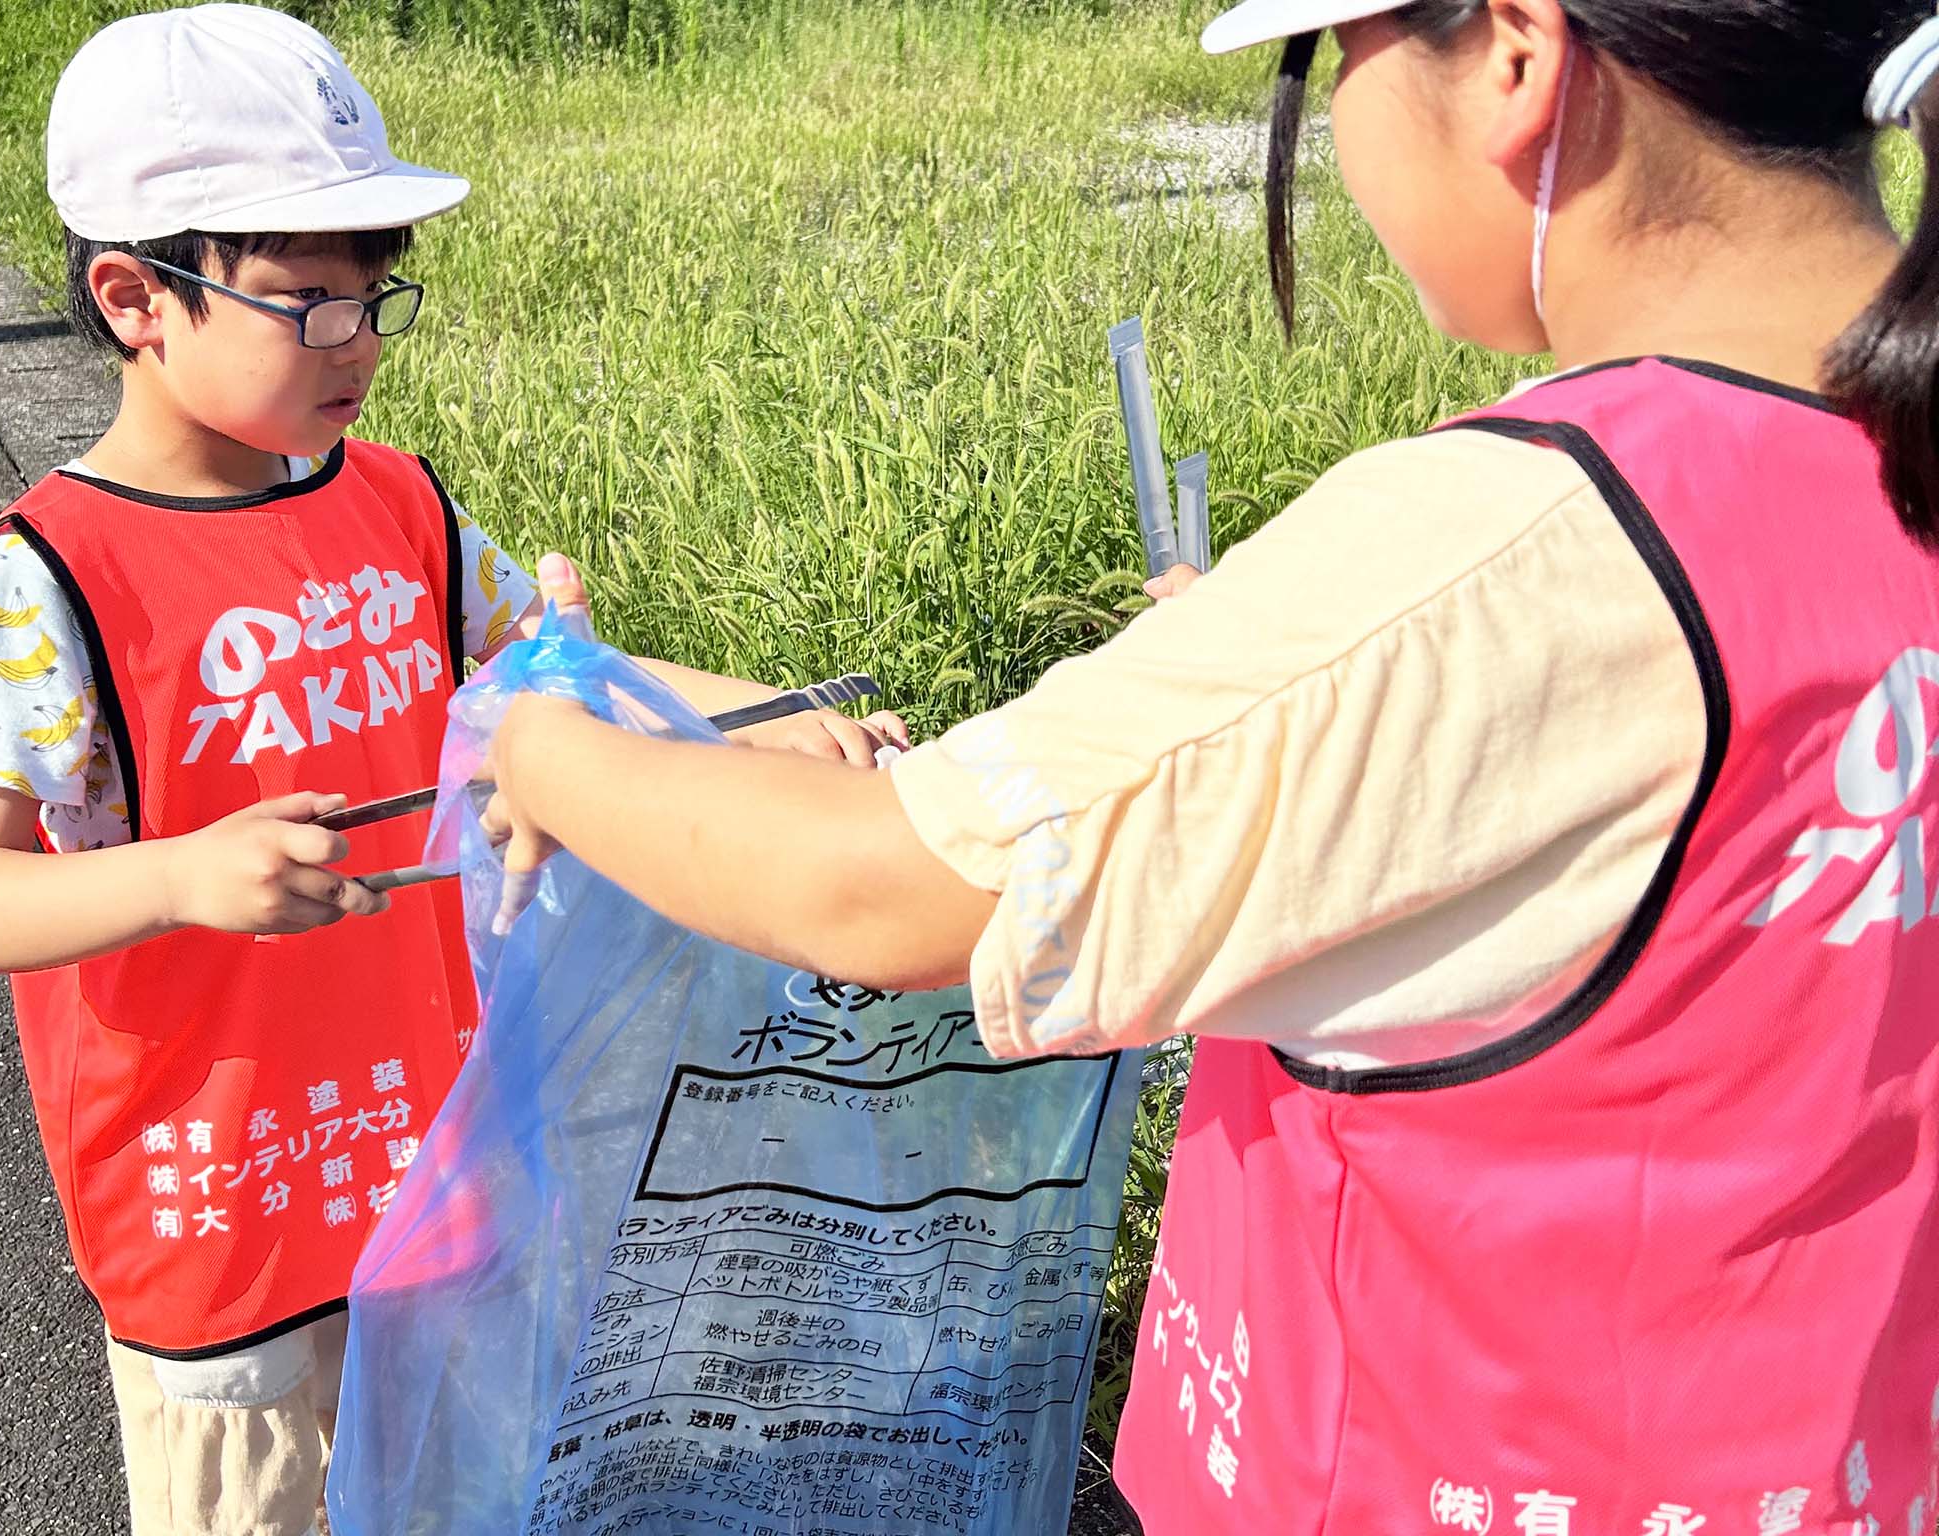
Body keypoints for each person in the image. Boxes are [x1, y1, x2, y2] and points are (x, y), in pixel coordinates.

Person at [479, 0, 1939, 1529]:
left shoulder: (1510, 537)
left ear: (1515, 54)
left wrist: (542, 741)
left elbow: (882, 889)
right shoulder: (1876, 443)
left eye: (1331, 63)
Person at [0, 8, 899, 1533]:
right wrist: (183, 874)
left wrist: (763, 719)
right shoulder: (50, 578)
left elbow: (552, 677)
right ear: (135, 298)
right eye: (308, 303)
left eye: (374, 296)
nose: (357, 339)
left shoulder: (401, 507)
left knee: (455, 1494)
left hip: (424, 1151)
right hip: (220, 1208)